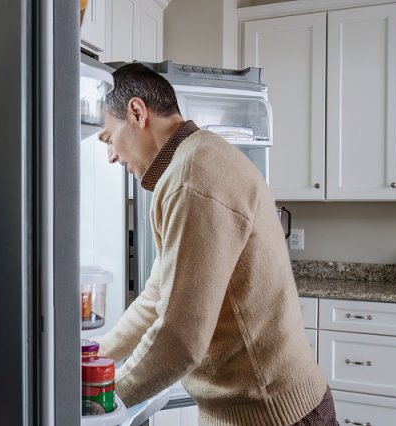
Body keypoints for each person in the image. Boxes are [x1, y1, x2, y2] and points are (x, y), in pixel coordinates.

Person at [94, 63, 337, 426]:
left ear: (137, 112)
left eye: (108, 137)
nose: (111, 156)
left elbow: (180, 338)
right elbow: (156, 297)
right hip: (259, 409)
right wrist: (94, 358)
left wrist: (104, 404)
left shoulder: (193, 178)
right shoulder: (190, 163)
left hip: (275, 414)